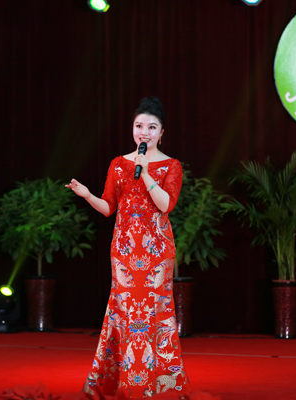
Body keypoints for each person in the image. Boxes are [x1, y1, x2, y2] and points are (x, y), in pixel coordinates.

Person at [66, 97, 191, 398]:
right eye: (139, 126)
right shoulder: (118, 164)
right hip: (123, 251)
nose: (144, 132)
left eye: (152, 127)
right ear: (132, 129)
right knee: (125, 315)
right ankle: (122, 382)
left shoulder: (171, 166)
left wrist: (145, 172)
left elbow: (166, 204)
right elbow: (109, 207)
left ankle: (156, 385)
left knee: (153, 316)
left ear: (162, 132)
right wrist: (87, 195)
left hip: (157, 253)